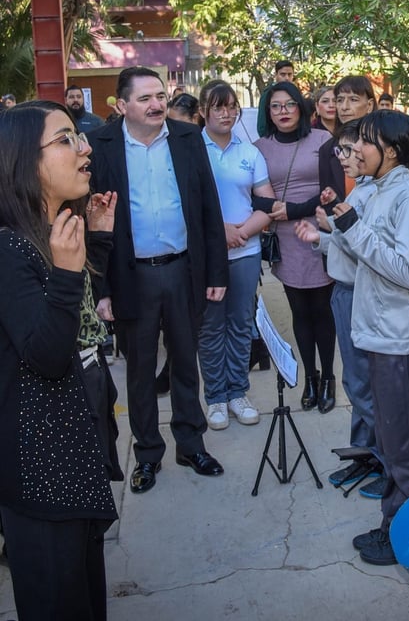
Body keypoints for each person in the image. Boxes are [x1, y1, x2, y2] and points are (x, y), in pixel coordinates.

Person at [0, 100, 121, 620]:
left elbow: (77, 318)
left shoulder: (48, 234)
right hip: (40, 469)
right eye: (66, 139)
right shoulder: (8, 249)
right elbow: (48, 355)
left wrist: (95, 243)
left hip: (72, 451)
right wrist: (71, 273)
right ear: (25, 161)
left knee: (85, 593)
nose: (85, 147)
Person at [87, 66, 229, 494]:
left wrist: (217, 271)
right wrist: (102, 289)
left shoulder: (187, 139)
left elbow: (209, 208)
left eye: (160, 96)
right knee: (141, 371)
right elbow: (94, 225)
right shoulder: (100, 146)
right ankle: (148, 454)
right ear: (122, 105)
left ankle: (190, 444)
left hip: (184, 271)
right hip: (132, 277)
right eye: (145, 98)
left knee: (187, 363)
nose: (156, 105)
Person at [332, 110, 409, 566]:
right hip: (384, 333)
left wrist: (352, 230)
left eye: (366, 141)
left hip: (401, 338)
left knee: (404, 445)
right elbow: (368, 254)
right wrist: (335, 232)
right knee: (393, 433)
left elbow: (405, 269)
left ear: (392, 152)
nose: (355, 149)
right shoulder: (379, 190)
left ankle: (405, 535)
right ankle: (397, 523)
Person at [296, 121, 385, 498]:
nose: (345, 158)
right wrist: (323, 236)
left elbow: (369, 251)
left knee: (365, 384)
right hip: (344, 290)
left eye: (349, 150)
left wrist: (327, 233)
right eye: (340, 151)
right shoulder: (363, 189)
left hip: (356, 291)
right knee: (355, 380)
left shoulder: (377, 194)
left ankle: (385, 460)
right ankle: (364, 452)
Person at [254, 81, 338, 414]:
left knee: (323, 310)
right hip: (285, 238)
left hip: (316, 231)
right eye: (275, 106)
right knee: (299, 312)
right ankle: (311, 378)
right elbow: (254, 193)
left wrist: (295, 210)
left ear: (301, 107)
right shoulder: (259, 147)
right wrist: (276, 207)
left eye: (289, 105)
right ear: (268, 112)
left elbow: (333, 191)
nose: (283, 112)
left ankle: (330, 376)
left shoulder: (323, 140)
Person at [196, 81, 274, 430]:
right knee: (211, 326)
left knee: (241, 323)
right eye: (218, 107)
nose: (226, 114)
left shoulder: (250, 153)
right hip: (207, 255)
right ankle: (215, 397)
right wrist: (218, 231)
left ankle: (237, 392)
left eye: (231, 107)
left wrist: (243, 231)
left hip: (246, 250)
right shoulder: (191, 149)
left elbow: (266, 203)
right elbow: (187, 205)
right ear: (203, 112)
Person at [320, 75, 377, 204]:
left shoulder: (386, 141)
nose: (344, 107)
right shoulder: (328, 149)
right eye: (339, 100)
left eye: (353, 99)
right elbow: (326, 199)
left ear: (369, 105)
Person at [257, 59, 298, 137]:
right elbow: (262, 124)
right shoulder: (268, 94)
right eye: (283, 74)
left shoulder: (296, 93)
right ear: (276, 75)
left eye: (290, 74)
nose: (287, 78)